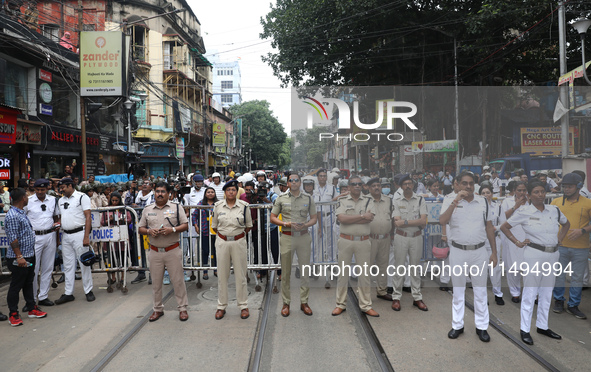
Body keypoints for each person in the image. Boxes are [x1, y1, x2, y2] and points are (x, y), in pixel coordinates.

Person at [501, 181, 569, 345]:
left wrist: (560, 239)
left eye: (542, 192)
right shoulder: (524, 211)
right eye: (536, 192)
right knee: (530, 293)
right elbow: (505, 227)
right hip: (534, 254)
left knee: (546, 293)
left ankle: (542, 326)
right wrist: (516, 241)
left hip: (552, 255)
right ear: (529, 195)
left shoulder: (554, 210)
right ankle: (525, 329)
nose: (540, 195)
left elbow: (566, 224)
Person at [439, 171, 498, 342]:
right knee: (458, 291)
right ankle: (457, 325)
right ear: (456, 184)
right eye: (464, 183)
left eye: (471, 183)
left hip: (479, 252)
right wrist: (455, 201)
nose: (468, 186)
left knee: (480, 291)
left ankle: (482, 327)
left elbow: (489, 227)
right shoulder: (450, 200)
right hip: (458, 251)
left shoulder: (483, 202)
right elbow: (442, 221)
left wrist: (494, 252)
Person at [138, 182, 190, 322]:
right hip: (154, 252)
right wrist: (149, 231)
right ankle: (157, 309)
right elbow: (140, 228)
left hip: (172, 250)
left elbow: (185, 225)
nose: (159, 194)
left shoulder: (176, 207)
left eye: (162, 191)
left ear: (168, 194)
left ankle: (182, 309)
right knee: (156, 283)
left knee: (178, 281)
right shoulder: (147, 209)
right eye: (157, 191)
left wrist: (172, 230)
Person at [271, 173, 317, 317]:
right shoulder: (281, 199)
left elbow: (314, 218)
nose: (294, 182)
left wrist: (306, 224)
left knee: (305, 271)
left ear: (300, 182)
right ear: (288, 184)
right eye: (291, 181)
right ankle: (286, 303)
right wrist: (285, 223)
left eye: (297, 180)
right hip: (287, 237)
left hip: (303, 237)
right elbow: (273, 217)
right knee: (285, 272)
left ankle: (304, 302)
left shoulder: (308, 199)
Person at [332, 176, 379, 317]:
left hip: (364, 241)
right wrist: (362, 217)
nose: (357, 186)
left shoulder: (369, 200)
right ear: (349, 186)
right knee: (343, 274)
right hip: (346, 240)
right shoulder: (342, 200)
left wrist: (353, 218)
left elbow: (370, 217)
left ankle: (365, 305)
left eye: (359, 184)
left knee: (364, 275)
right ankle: (340, 304)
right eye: (354, 184)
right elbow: (341, 219)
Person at [5, 188, 48, 326]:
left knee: (28, 282)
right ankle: (13, 314)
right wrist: (19, 257)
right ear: (23, 198)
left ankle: (31, 308)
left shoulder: (21, 212)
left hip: (29, 255)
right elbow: (13, 239)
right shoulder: (12, 215)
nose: (28, 198)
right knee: (16, 286)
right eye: (27, 196)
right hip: (19, 258)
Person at [551, 173, 591, 319]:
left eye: (569, 186)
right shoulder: (555, 202)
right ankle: (559, 300)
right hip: (560, 246)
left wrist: (583, 230)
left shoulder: (588, 203)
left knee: (577, 277)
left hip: (581, 247)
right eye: (564, 186)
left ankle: (573, 305)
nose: (566, 189)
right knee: (559, 275)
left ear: (579, 187)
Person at [211, 180, 253, 320]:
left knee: (241, 275)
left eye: (233, 190)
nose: (231, 192)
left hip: (238, 241)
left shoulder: (244, 206)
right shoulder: (217, 206)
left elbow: (248, 225)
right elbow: (215, 226)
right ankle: (221, 306)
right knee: (222, 275)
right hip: (222, 241)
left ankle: (243, 305)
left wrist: (236, 235)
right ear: (225, 192)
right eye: (228, 190)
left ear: (237, 191)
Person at [54, 178, 95, 305]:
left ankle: (88, 291)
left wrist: (86, 236)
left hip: (79, 233)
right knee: (68, 265)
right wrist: (58, 224)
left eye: (63, 187)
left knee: (84, 263)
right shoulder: (60, 200)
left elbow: (88, 216)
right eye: (60, 187)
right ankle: (68, 293)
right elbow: (62, 217)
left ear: (70, 186)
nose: (61, 189)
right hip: (65, 235)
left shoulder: (82, 197)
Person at [391, 174, 428, 311]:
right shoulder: (397, 200)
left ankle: (417, 297)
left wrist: (405, 222)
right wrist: (413, 222)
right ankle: (396, 297)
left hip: (416, 237)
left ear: (413, 185)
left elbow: (423, 221)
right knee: (399, 267)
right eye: (405, 184)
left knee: (415, 268)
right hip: (401, 237)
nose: (408, 186)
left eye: (410, 183)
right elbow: (397, 222)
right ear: (401, 186)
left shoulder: (419, 200)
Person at [25, 179, 60, 307]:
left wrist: (57, 227)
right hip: (34, 237)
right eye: (38, 190)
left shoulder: (52, 200)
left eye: (42, 190)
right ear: (34, 189)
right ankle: (32, 299)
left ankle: (43, 296)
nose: (40, 192)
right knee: (33, 269)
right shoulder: (28, 200)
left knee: (47, 267)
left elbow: (56, 217)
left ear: (47, 189)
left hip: (50, 235)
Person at [499, 181, 528, 303]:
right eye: (519, 190)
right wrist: (515, 206)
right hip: (511, 236)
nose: (522, 193)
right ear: (514, 191)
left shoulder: (531, 201)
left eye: (524, 190)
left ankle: (531, 294)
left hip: (527, 236)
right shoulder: (507, 202)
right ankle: (515, 292)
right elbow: (503, 217)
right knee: (513, 266)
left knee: (528, 267)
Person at [366, 177, 394, 302]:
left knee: (383, 265)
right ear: (369, 188)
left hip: (385, 238)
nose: (377, 188)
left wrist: (392, 234)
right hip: (370, 238)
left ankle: (381, 291)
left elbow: (392, 218)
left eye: (378, 185)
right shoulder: (365, 200)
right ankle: (364, 293)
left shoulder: (388, 200)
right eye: (374, 186)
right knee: (367, 266)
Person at [478, 184, 504, 305]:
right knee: (481, 270)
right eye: (483, 193)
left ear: (492, 194)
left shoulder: (498, 207)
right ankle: (483, 296)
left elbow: (503, 223)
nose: (486, 195)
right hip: (481, 241)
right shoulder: (477, 208)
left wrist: (495, 227)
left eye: (488, 192)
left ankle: (497, 293)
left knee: (495, 268)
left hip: (494, 240)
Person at [101, 192, 132, 286]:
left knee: (122, 257)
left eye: (116, 200)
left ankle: (123, 277)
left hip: (121, 236)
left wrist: (122, 219)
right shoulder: (107, 208)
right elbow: (102, 222)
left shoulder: (123, 209)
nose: (114, 202)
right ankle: (113, 277)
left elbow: (129, 219)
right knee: (111, 259)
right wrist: (109, 220)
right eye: (113, 200)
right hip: (110, 238)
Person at [193, 187, 218, 280]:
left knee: (216, 251)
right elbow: (194, 215)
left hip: (216, 232)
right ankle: (205, 271)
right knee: (205, 252)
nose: (210, 194)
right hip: (204, 231)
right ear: (205, 193)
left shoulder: (218, 204)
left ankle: (216, 269)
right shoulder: (200, 203)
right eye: (208, 192)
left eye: (212, 192)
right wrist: (195, 225)